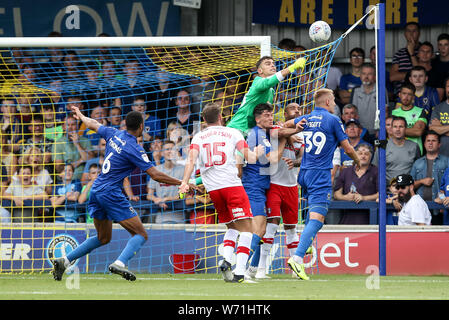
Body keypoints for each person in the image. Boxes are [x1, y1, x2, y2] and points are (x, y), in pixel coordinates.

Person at [51, 107, 186, 282]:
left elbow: (93, 123)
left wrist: (81, 115)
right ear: (141, 127)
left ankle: (64, 260)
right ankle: (120, 263)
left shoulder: (114, 133)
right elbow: (155, 174)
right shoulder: (135, 148)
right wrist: (181, 182)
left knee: (103, 237)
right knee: (141, 234)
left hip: (96, 190)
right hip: (110, 193)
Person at [179, 102, 267, 283]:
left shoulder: (198, 137)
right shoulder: (233, 133)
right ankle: (240, 272)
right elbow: (249, 157)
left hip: (213, 190)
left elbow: (190, 161)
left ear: (204, 120)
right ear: (221, 117)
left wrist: (184, 182)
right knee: (248, 230)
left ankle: (227, 259)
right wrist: (257, 152)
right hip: (232, 186)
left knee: (231, 227)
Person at [284, 88, 360, 280]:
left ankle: (303, 247)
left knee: (312, 215)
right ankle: (297, 258)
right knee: (318, 219)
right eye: (333, 100)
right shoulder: (333, 120)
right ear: (327, 102)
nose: (334, 104)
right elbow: (348, 148)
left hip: (304, 173)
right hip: (320, 175)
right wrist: (358, 160)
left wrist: (295, 130)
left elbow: (281, 125)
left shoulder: (307, 118)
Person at [241, 103, 301, 279]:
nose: (270, 118)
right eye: (266, 115)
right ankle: (241, 268)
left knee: (262, 230)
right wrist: (287, 136)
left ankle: (252, 270)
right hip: (254, 187)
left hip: (262, 187)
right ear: (258, 118)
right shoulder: (257, 134)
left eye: (271, 115)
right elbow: (273, 158)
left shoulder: (264, 134)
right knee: (259, 230)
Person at [226, 55, 306, 135]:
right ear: (260, 71)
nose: (272, 65)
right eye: (268, 64)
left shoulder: (271, 91)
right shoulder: (257, 82)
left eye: (273, 64)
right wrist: (292, 67)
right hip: (237, 128)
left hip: (252, 131)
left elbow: (265, 115)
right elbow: (269, 82)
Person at [333, 144, 378, 224]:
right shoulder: (345, 171)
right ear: (354, 155)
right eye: (360, 153)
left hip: (370, 219)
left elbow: (381, 194)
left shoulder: (376, 172)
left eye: (366, 154)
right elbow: (336, 194)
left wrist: (363, 198)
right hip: (347, 218)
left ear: (371, 156)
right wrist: (345, 197)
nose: (363, 156)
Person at [410, 131, 449, 223]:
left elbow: (445, 187)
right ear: (424, 144)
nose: (430, 143)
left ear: (439, 144)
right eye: (428, 141)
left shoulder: (447, 161)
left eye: (433, 141)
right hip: (421, 208)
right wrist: (421, 181)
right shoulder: (417, 163)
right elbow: (409, 186)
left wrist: (444, 199)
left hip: (440, 207)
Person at [146, 140, 186, 224]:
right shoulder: (156, 170)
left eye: (172, 149)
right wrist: (156, 199)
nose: (170, 151)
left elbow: (185, 194)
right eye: (167, 149)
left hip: (179, 217)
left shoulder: (183, 169)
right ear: (162, 153)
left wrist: (166, 199)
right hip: (161, 217)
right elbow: (149, 195)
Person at [372, 116, 420, 183]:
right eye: (395, 127)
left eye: (401, 127)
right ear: (391, 129)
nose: (398, 129)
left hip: (408, 188)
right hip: (388, 190)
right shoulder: (382, 146)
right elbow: (375, 169)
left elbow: (418, 168)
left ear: (405, 128)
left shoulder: (414, 146)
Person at [351, 63, 388, 135]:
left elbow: (385, 112)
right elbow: (352, 113)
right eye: (364, 73)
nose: (366, 76)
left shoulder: (381, 90)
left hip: (376, 132)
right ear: (360, 76)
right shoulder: (355, 90)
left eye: (369, 74)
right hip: (359, 132)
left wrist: (381, 130)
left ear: (374, 76)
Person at [52, 114, 93, 181]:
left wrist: (77, 144)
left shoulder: (85, 141)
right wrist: (81, 160)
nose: (70, 127)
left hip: (83, 180)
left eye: (73, 125)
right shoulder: (58, 143)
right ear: (63, 127)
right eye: (68, 125)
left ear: (77, 126)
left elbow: (91, 160)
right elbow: (59, 168)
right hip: (65, 182)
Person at [392, 83, 427, 155]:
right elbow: (389, 131)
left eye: (409, 94)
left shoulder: (420, 111)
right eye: (404, 93)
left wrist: (396, 131)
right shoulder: (393, 113)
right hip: (397, 151)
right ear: (399, 95)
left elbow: (418, 132)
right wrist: (411, 130)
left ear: (413, 97)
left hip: (414, 152)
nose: (406, 97)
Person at [390, 22, 421, 95]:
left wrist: (411, 53)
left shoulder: (424, 51)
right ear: (405, 34)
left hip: (419, 94)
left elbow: (421, 73)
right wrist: (413, 75)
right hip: (401, 95)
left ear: (419, 33)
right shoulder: (399, 54)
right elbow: (393, 77)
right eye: (408, 31)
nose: (411, 34)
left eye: (414, 31)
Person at [429, 77, 449, 157]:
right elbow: (432, 128)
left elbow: (438, 129)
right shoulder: (438, 108)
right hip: (442, 156)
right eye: (448, 86)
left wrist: (441, 127)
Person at [432, 33, 449, 98]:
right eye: (440, 45)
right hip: (436, 98)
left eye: (446, 45)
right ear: (438, 46)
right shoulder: (433, 62)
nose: (443, 48)